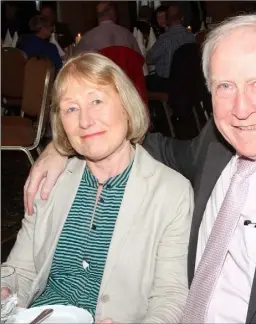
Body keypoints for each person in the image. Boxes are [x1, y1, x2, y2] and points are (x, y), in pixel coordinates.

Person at [23, 14, 256, 323]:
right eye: (225, 86)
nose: (241, 109)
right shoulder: (214, 143)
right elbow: (139, 141)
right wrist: (61, 146)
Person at [2, 53, 193, 323]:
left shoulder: (171, 193)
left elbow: (170, 296)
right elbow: (20, 269)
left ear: (126, 107)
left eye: (96, 101)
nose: (85, 121)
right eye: (71, 108)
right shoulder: (51, 180)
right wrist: (6, 291)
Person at [146, 3, 195, 92]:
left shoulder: (165, 39)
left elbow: (149, 59)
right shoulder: (192, 37)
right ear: (182, 19)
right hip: (188, 83)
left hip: (167, 84)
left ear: (167, 20)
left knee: (141, 82)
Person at [74, 2, 141, 56]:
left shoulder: (87, 38)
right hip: (123, 72)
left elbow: (76, 61)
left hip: (101, 72)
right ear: (113, 13)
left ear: (98, 16)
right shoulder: (128, 35)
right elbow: (140, 60)